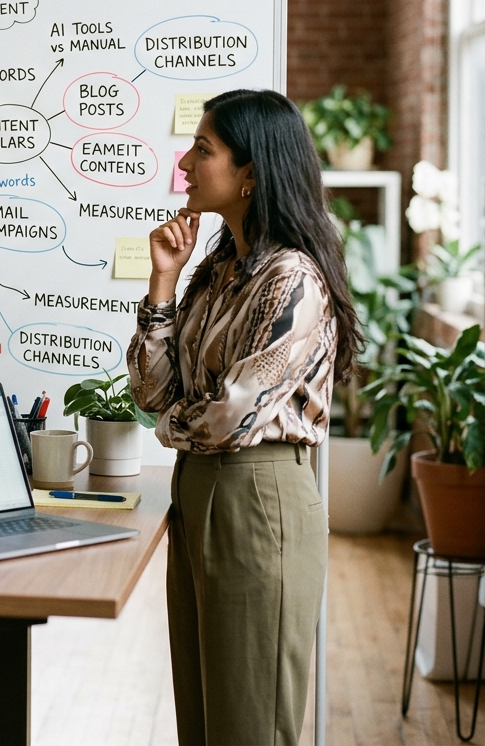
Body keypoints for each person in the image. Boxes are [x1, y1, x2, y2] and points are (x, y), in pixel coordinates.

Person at [127, 89, 361, 745]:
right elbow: (152, 390)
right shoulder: (217, 271)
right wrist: (163, 283)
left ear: (252, 172)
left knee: (248, 725)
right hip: (198, 489)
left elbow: (233, 414)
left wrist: (171, 427)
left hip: (260, 496)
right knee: (202, 723)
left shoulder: (291, 278)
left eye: (203, 149)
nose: (185, 162)